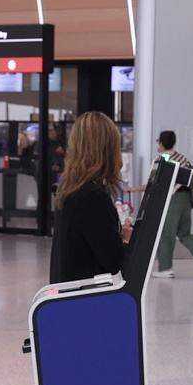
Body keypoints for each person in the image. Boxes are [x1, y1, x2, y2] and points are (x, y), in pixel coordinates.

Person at [50, 111, 129, 284]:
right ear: (108, 149)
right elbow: (114, 261)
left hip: (68, 296)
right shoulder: (92, 197)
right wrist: (127, 239)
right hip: (86, 300)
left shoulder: (70, 186)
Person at [151, 130, 193, 279]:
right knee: (185, 234)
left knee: (166, 234)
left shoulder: (162, 159)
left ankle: (165, 268)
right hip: (185, 199)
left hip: (172, 200)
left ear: (161, 143)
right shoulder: (182, 158)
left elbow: (154, 181)